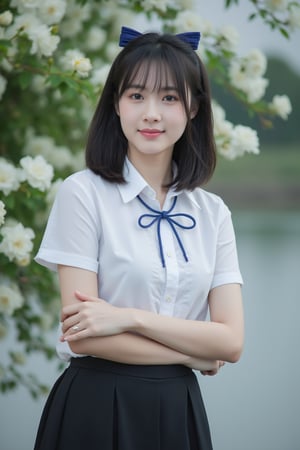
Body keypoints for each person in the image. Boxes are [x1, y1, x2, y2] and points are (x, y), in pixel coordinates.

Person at [33, 26, 244, 450]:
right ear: (116, 104)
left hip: (179, 409)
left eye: (169, 98)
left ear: (194, 108)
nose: (151, 113)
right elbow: (84, 336)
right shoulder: (83, 193)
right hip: (95, 405)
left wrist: (129, 318)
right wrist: (195, 353)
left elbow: (232, 341)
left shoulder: (213, 213)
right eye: (136, 96)